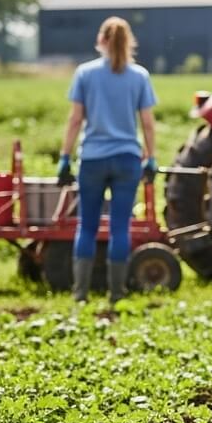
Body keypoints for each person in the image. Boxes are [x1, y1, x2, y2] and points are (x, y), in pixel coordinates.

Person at [58, 16, 158, 303]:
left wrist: (65, 156)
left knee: (86, 227)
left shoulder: (85, 74)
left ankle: (80, 294)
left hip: (93, 159)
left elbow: (76, 119)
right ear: (129, 43)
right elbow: (148, 123)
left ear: (101, 40)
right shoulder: (139, 76)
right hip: (127, 159)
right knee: (120, 227)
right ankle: (116, 293)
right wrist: (151, 157)